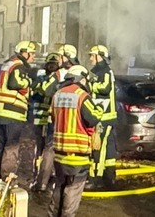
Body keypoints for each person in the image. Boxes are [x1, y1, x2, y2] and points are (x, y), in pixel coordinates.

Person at [49, 65, 103, 217]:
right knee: (73, 190)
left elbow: (53, 118)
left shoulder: (57, 94)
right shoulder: (82, 96)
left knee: (59, 186)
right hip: (77, 154)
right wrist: (98, 108)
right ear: (81, 79)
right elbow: (93, 118)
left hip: (59, 154)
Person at [0, 40, 36, 180]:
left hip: (0, 111)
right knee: (12, 145)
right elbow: (15, 83)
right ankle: (7, 176)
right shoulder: (19, 66)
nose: (33, 57)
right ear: (25, 53)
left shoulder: (8, 63)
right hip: (13, 112)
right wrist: (30, 81)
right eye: (32, 54)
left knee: (1, 144)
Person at [86, 44, 117, 189]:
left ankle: (96, 178)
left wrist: (91, 85)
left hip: (104, 116)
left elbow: (105, 88)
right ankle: (109, 177)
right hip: (101, 115)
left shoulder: (106, 72)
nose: (91, 58)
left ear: (100, 56)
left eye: (93, 55)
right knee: (108, 148)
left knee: (99, 147)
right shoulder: (95, 71)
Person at [32, 51, 64, 193]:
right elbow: (38, 93)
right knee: (42, 149)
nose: (51, 66)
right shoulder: (44, 77)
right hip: (41, 118)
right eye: (50, 64)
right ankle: (39, 176)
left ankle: (45, 176)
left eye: (54, 64)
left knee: (47, 149)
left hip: (50, 119)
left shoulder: (56, 78)